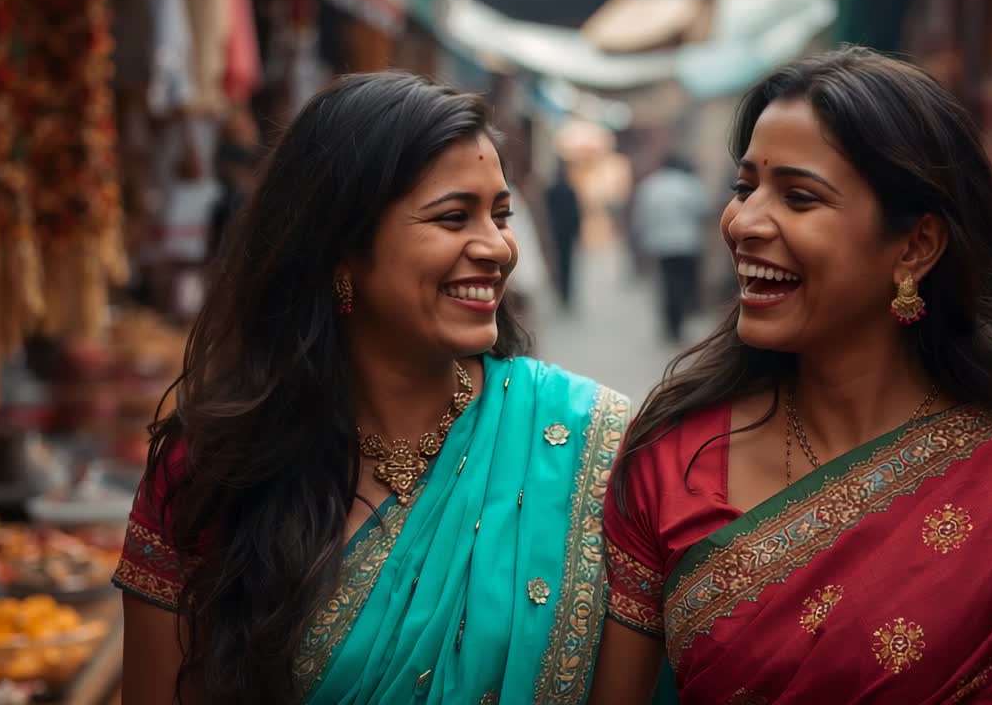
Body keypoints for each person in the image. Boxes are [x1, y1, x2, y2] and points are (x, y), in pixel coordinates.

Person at [590, 47, 992, 704]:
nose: (742, 223)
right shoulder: (672, 456)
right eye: (744, 188)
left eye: (799, 197)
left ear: (916, 246)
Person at [114, 72, 629, 704]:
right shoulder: (214, 470)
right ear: (340, 249)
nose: (498, 248)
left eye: (501, 215)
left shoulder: (585, 443)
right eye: (454, 217)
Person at [633, 153, 710, 344]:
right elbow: (704, 210)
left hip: (661, 244)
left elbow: (641, 216)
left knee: (666, 284)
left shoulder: (651, 185)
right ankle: (678, 325)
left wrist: (643, 241)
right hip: (686, 243)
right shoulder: (688, 184)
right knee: (682, 285)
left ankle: (668, 324)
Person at [545, 161, 582, 309]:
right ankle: (564, 293)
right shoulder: (560, 190)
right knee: (565, 264)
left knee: (564, 264)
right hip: (562, 233)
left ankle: (564, 294)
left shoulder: (556, 190)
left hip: (561, 233)